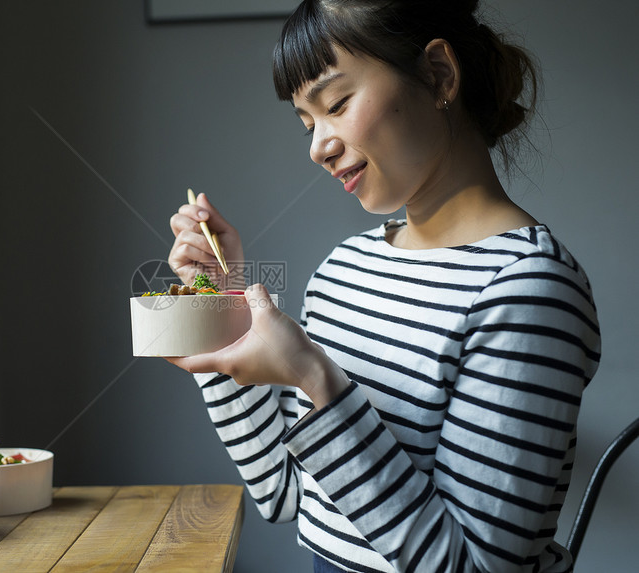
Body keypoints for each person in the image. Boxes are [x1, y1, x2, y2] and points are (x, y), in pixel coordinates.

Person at [165, 1, 601, 571]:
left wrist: (313, 376)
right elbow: (285, 493)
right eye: (307, 123)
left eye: (337, 104)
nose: (318, 147)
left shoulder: (528, 289)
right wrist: (223, 317)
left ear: (439, 75)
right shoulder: (345, 266)